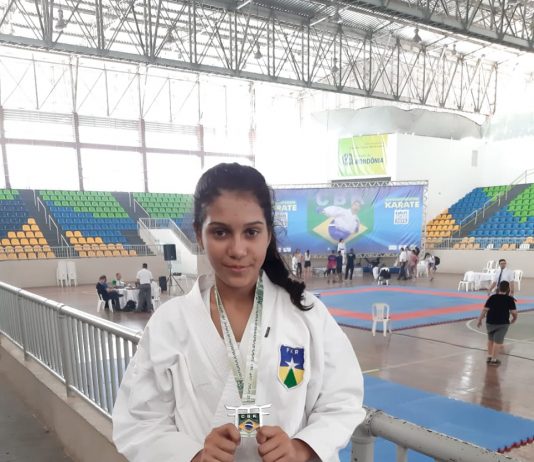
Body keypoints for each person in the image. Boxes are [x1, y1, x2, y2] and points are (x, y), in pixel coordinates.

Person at [112, 163, 365, 462]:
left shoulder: (306, 313)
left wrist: (301, 448)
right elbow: (139, 420)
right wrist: (194, 456)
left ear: (268, 235)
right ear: (199, 234)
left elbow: (342, 399)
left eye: (251, 232)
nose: (237, 249)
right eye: (220, 232)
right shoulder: (170, 322)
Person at [477, 280, 518, 366]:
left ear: (498, 288)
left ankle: (489, 356)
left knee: (490, 340)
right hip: (502, 323)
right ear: (508, 289)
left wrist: (480, 319)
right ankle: (493, 360)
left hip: (490, 322)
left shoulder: (492, 297)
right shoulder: (509, 299)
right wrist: (514, 318)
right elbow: (514, 312)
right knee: (498, 342)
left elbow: (485, 309)